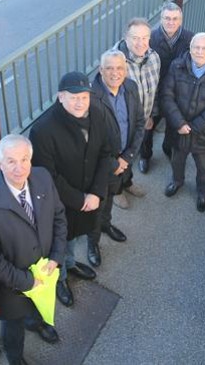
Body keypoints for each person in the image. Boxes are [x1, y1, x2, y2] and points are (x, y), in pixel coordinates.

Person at [0, 134, 68, 365]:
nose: (19, 168)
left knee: (38, 306)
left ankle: (37, 323)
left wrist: (55, 257)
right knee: (13, 329)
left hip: (44, 270)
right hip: (11, 286)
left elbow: (59, 217)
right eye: (11, 161)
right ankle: (15, 359)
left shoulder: (43, 177)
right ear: (0, 163)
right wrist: (27, 282)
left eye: (24, 159)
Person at [29, 71, 115, 306]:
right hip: (62, 203)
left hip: (90, 196)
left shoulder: (96, 114)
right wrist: (80, 199)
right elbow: (47, 176)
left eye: (84, 97)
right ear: (60, 97)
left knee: (74, 237)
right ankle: (60, 279)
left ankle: (70, 265)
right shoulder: (43, 130)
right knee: (61, 241)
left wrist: (96, 193)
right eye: (73, 97)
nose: (80, 103)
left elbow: (105, 153)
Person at [159, 33, 205, 213]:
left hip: (203, 133)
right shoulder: (177, 66)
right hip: (178, 129)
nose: (199, 51)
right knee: (177, 160)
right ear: (190, 49)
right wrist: (179, 123)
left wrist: (193, 127)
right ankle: (177, 181)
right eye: (195, 47)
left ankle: (203, 193)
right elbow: (166, 96)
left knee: (204, 168)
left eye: (204, 48)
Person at [89, 50, 145, 264]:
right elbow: (91, 141)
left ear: (126, 69)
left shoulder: (130, 87)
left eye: (119, 68)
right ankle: (92, 243)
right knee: (98, 204)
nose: (115, 73)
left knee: (111, 197)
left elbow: (139, 123)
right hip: (101, 165)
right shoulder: (91, 98)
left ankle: (106, 225)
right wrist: (114, 163)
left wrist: (127, 158)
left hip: (123, 159)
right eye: (109, 68)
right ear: (101, 70)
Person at [142, 2, 195, 174]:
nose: (170, 22)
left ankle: (167, 147)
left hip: (177, 92)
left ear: (181, 20)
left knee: (173, 124)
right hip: (154, 92)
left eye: (175, 19)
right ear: (161, 19)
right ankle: (145, 155)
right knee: (148, 126)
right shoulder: (150, 38)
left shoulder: (190, 39)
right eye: (167, 18)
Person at [113, 18, 161, 186]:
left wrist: (150, 115)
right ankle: (117, 191)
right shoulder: (116, 64)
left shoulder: (154, 58)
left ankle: (127, 184)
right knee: (118, 160)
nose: (140, 43)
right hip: (121, 127)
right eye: (135, 38)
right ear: (125, 38)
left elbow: (154, 89)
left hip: (142, 120)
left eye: (144, 38)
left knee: (131, 158)